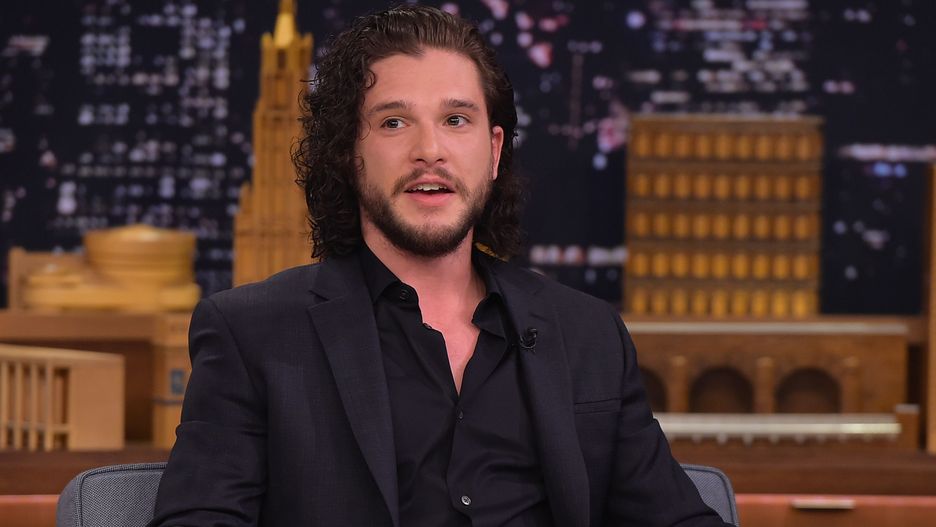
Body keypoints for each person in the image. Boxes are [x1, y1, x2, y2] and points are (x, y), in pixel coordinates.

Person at [151, 5, 732, 526]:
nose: (429, 150)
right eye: (393, 122)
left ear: (494, 151)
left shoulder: (589, 334)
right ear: (350, 155)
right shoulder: (252, 334)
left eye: (456, 120)